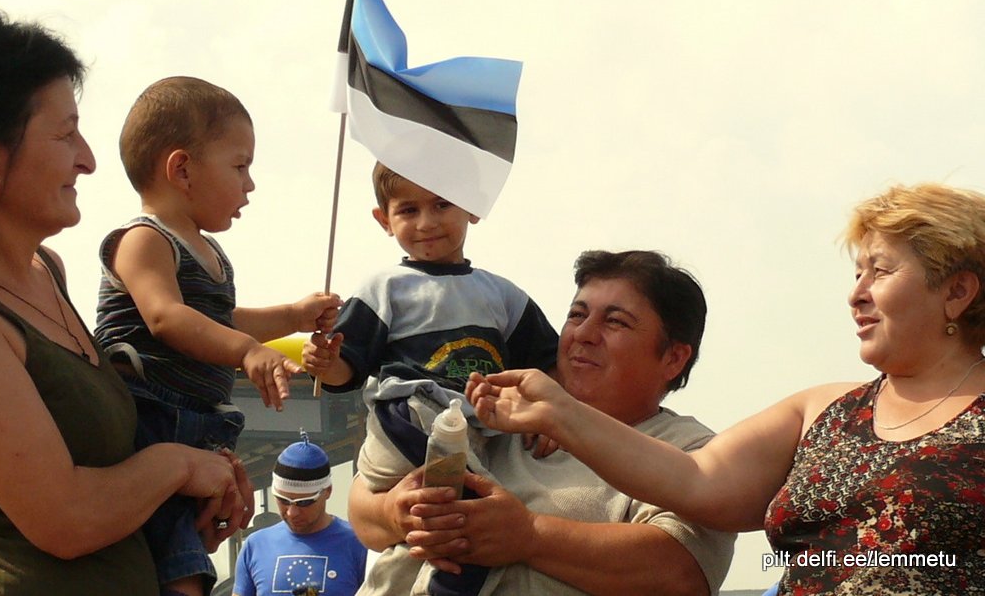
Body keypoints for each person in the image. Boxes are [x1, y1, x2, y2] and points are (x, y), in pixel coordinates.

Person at [0, 9, 252, 596]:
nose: (87, 159)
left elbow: (110, 499)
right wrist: (180, 465)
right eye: (65, 135)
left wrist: (186, 509)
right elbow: (67, 518)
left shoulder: (46, 273)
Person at [468, 184, 985, 595]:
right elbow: (696, 479)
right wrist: (558, 411)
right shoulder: (822, 409)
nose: (857, 294)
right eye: (857, 272)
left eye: (882, 271)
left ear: (958, 291)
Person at [350, 250, 736, 596]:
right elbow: (361, 504)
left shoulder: (692, 453)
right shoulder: (501, 413)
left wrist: (530, 536)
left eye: (615, 322)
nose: (583, 335)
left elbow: (680, 572)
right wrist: (395, 513)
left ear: (673, 358)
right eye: (576, 315)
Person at [95, 75, 341, 595]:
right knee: (177, 562)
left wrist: (293, 315)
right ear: (182, 168)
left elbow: (220, 324)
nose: (249, 184)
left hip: (198, 424)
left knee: (188, 550)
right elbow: (165, 317)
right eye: (240, 165)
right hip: (150, 417)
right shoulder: (143, 240)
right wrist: (248, 352)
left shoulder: (209, 253)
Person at [302, 162, 560, 593]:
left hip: (476, 433)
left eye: (442, 204)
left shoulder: (503, 295)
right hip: (407, 420)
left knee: (436, 530)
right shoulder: (384, 288)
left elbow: (551, 364)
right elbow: (346, 368)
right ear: (384, 220)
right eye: (408, 210)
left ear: (472, 207)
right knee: (470, 513)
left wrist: (554, 419)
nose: (426, 222)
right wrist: (325, 363)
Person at [232, 434, 368, 596]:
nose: (292, 512)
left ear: (328, 491)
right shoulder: (254, 546)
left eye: (304, 502)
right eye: (283, 500)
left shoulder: (360, 544)